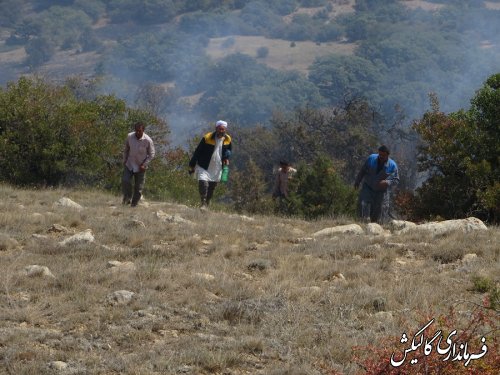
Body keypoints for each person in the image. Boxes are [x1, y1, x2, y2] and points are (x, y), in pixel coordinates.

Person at [189, 120, 232, 209]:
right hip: (204, 165)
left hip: (217, 167)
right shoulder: (207, 138)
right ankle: (203, 203)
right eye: (220, 129)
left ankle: (207, 203)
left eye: (223, 129)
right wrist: (192, 165)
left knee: (211, 188)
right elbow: (197, 152)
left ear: (225, 130)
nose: (221, 131)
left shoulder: (228, 139)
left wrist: (227, 158)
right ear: (216, 128)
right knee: (203, 183)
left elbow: (229, 150)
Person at [354, 145, 399, 223]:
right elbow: (363, 171)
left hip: (381, 192)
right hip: (368, 187)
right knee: (362, 204)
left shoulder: (392, 165)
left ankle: (374, 226)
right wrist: (357, 182)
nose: (381, 157)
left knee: (377, 212)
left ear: (387, 155)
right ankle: (360, 223)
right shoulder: (371, 158)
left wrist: (387, 182)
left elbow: (396, 180)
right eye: (380, 154)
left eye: (383, 155)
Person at [122, 122, 155, 207]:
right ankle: (127, 200)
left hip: (141, 166)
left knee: (138, 187)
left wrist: (144, 164)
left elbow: (152, 154)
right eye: (136, 130)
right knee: (126, 181)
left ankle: (134, 204)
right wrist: (124, 159)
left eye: (139, 131)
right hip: (129, 163)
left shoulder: (148, 140)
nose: (137, 132)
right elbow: (126, 149)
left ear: (143, 130)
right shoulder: (130, 136)